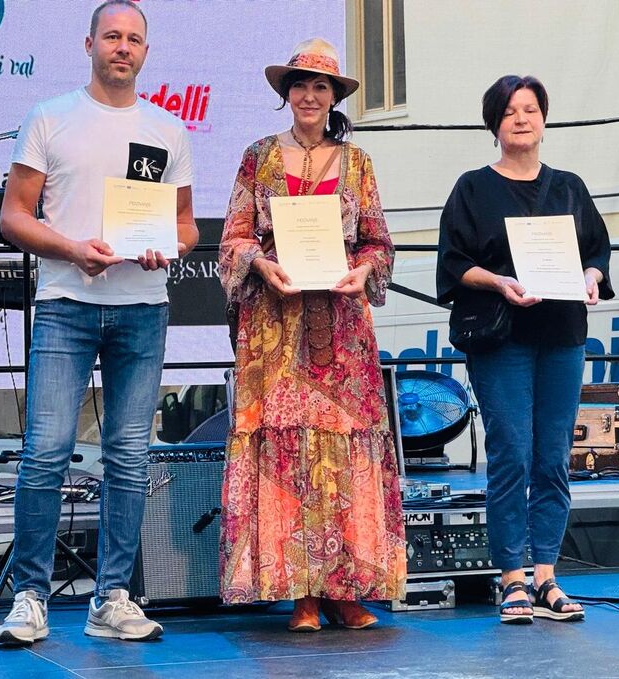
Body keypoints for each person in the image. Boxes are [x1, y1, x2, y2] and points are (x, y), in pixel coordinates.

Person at [0, 0, 197, 644]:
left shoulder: (168, 130)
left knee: (130, 457)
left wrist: (171, 246)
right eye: (112, 36)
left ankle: (112, 598)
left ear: (146, 52)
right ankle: (29, 597)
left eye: (134, 38)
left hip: (143, 307)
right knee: (46, 452)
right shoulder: (50, 117)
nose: (122, 47)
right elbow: (14, 216)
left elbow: (186, 225)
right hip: (66, 303)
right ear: (89, 45)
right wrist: (72, 249)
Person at [218, 38, 406, 632]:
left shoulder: (358, 163)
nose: (308, 95)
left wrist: (365, 271)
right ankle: (299, 591)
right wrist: (260, 262)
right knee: (286, 452)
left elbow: (378, 242)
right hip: (276, 327)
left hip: (341, 327)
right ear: (286, 93)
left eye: (320, 86)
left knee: (345, 454)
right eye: (299, 84)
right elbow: (233, 237)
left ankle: (344, 590)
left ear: (334, 97)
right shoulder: (258, 157)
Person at [436, 75, 614, 624]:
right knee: (511, 454)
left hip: (562, 335)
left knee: (554, 457)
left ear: (544, 119)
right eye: (510, 110)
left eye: (531, 109)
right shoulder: (472, 188)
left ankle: (546, 577)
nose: (521, 119)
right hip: (502, 339)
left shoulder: (570, 187)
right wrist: (499, 282)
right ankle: (511, 578)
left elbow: (597, 251)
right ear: (494, 123)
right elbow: (453, 264)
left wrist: (591, 276)